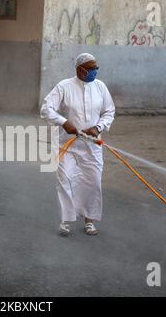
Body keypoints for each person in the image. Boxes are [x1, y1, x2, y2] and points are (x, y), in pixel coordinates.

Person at [41, 53, 116, 236]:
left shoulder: (100, 87)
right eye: (91, 68)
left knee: (93, 182)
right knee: (66, 180)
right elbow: (46, 109)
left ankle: (89, 221)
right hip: (67, 146)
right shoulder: (64, 86)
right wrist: (63, 122)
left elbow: (109, 111)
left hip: (91, 146)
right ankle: (65, 221)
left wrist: (98, 127)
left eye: (96, 68)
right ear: (79, 69)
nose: (94, 72)